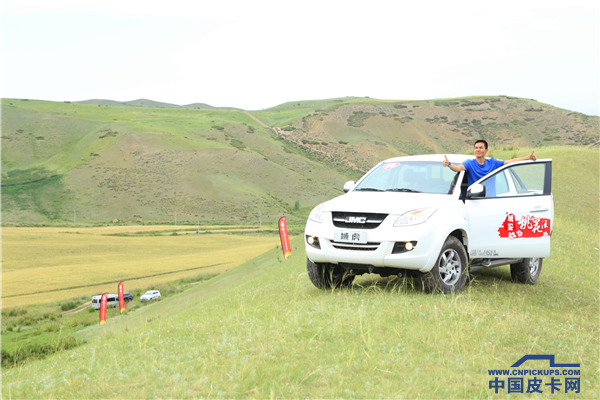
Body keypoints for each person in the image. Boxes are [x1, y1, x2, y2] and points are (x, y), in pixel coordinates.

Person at [442, 139, 537, 266]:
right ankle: (473, 254)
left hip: (491, 202)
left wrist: (528, 158)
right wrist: (449, 164)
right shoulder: (469, 163)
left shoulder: (492, 163)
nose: (477, 150)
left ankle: (487, 256)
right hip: (475, 200)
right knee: (476, 229)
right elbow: (458, 168)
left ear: (486, 150)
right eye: (476, 148)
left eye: (481, 148)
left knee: (490, 229)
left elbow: (510, 162)